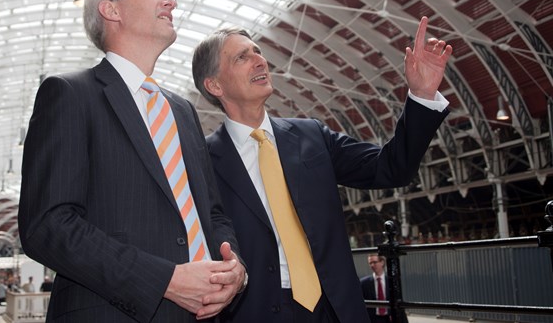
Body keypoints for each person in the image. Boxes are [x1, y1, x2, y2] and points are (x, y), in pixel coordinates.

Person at [18, 0, 246, 322]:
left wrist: (234, 268)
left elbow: (212, 213)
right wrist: (163, 280)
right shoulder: (70, 93)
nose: (170, 1)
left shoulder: (181, 110)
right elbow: (47, 225)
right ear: (111, 10)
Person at [191, 17, 452, 322]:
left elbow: (390, 168)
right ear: (214, 85)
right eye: (242, 57)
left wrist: (420, 95)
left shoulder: (311, 136)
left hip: (335, 309)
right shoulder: (202, 160)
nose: (260, 61)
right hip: (254, 311)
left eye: (258, 51)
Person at [360, 254, 408, 323]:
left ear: (382, 262)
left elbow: (398, 302)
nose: (372, 265)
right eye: (370, 263)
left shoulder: (392, 281)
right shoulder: (363, 283)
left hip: (389, 318)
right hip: (373, 319)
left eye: (375, 262)